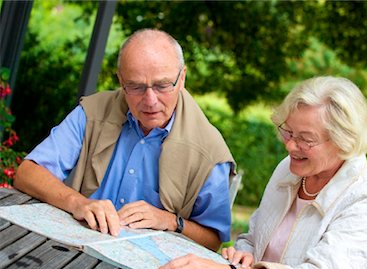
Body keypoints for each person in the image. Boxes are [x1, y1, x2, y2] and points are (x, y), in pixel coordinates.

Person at [155, 76, 367, 269]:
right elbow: (252, 239)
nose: (290, 146)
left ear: (344, 142)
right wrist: (242, 256)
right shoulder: (289, 169)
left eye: (305, 139)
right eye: (288, 131)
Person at [13, 29, 236, 251]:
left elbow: (213, 239)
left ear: (182, 78)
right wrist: (78, 203)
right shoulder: (93, 111)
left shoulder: (210, 150)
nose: (150, 100)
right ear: (121, 80)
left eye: (162, 85)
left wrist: (171, 222)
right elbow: (27, 173)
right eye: (136, 86)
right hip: (73, 251)